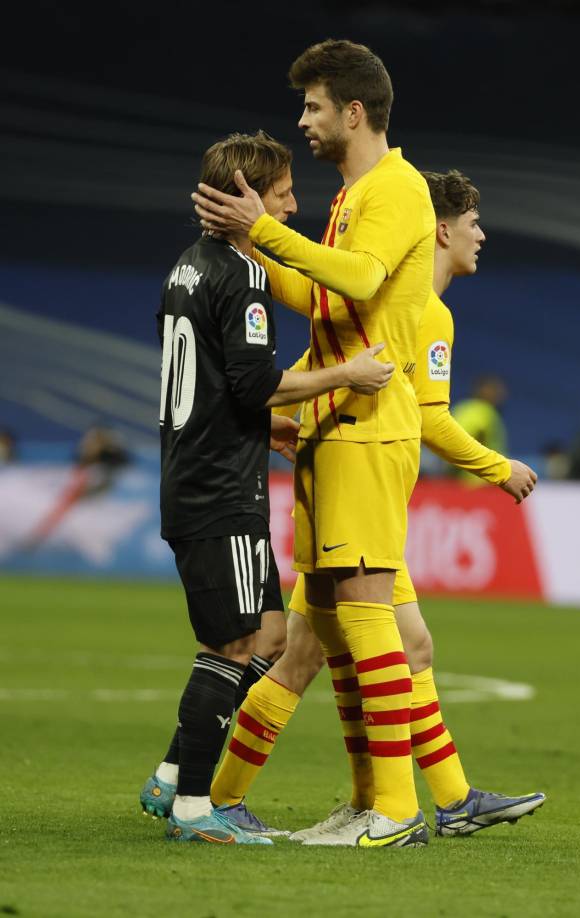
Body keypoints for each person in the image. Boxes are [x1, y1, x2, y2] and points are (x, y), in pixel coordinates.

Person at [205, 170, 544, 843]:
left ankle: (440, 798)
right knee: (319, 654)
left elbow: (312, 359)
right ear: (440, 230)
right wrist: (496, 466)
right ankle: (226, 797)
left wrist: (281, 412)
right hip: (357, 481)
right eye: (472, 222)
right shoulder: (426, 310)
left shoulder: (394, 304)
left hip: (350, 482)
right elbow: (428, 418)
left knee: (393, 645)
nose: (480, 235)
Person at [193, 40, 436, 847]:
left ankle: (397, 809)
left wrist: (264, 227)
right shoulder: (351, 193)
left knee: (364, 609)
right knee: (324, 627)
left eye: (313, 107)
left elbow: (360, 280)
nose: (303, 121)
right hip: (332, 428)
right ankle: (367, 800)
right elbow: (323, 296)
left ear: (353, 111)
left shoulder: (397, 188)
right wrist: (254, 238)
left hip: (369, 429)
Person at [142, 130, 393, 845]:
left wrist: (267, 429)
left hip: (205, 466)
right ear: (249, 193)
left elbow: (225, 386)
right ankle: (194, 806)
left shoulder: (186, 267)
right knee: (230, 645)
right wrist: (345, 377)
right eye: (281, 189)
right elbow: (255, 381)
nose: (291, 200)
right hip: (219, 485)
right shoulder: (244, 275)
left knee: (269, 635)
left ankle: (171, 775)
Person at [452, 375, 508, 486]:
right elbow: (456, 441)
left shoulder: (462, 407)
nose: (500, 395)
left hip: (470, 479)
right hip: (476, 482)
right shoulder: (482, 411)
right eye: (494, 390)